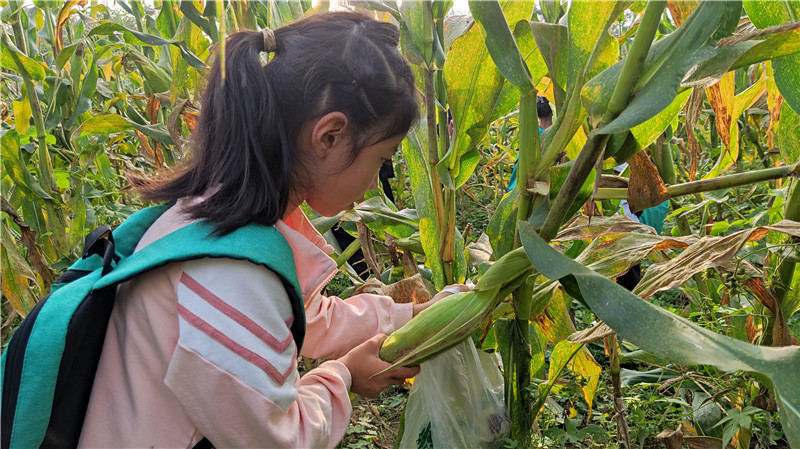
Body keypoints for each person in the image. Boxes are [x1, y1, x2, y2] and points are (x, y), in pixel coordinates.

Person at [78, 13, 464, 448]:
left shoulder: (217, 217)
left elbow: (307, 317)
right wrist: (346, 376)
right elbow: (280, 438)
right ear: (330, 136)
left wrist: (411, 317)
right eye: (382, 158)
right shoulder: (231, 277)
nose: (377, 182)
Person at [506, 96, 553, 192]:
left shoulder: (532, 133)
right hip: (546, 186)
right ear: (552, 113)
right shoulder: (558, 134)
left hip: (521, 185)